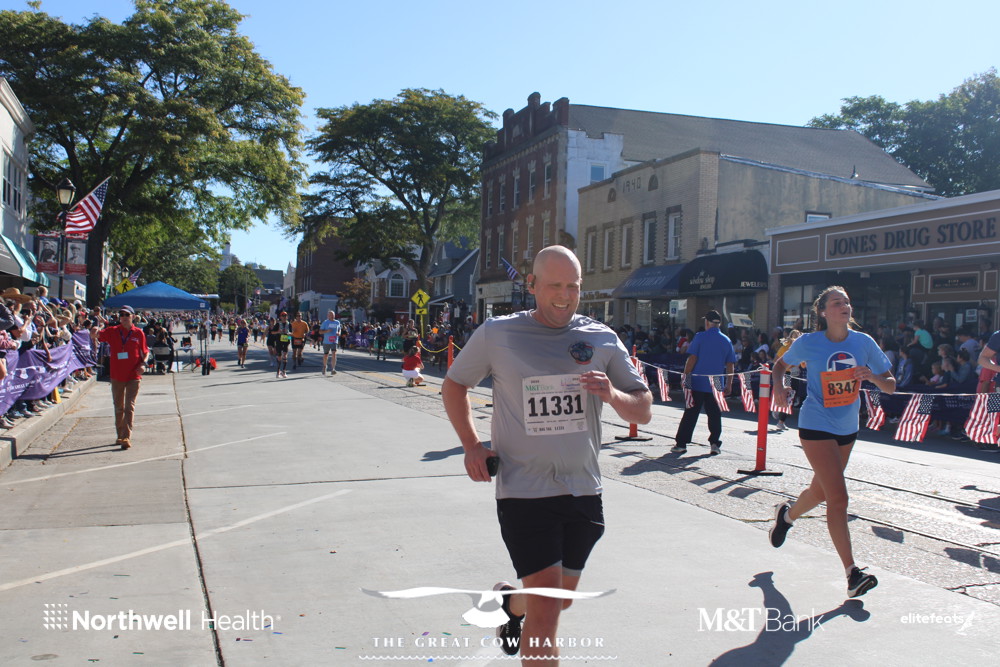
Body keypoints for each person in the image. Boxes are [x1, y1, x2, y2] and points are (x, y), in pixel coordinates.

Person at [441, 246, 652, 663]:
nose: (565, 295)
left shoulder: (600, 337)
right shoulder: (498, 333)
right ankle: (523, 609)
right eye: (555, 285)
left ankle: (509, 603)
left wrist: (612, 394)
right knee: (549, 606)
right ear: (532, 285)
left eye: (573, 286)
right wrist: (471, 445)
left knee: (559, 599)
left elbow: (643, 409)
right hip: (524, 490)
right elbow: (454, 384)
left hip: (583, 489)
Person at [769, 286, 895, 598]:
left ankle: (786, 516)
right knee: (838, 498)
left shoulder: (863, 342)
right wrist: (779, 387)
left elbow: (891, 385)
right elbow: (780, 365)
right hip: (816, 423)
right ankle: (852, 574)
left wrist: (871, 377)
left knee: (821, 491)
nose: (844, 306)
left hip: (847, 427)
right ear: (823, 312)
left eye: (847, 302)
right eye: (837, 302)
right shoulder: (809, 342)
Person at [671, 310, 736, 456]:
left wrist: (685, 376)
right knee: (714, 415)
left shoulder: (700, 337)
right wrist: (729, 384)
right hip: (717, 383)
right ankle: (714, 444)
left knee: (691, 413)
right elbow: (730, 364)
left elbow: (692, 359)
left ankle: (681, 444)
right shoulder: (726, 340)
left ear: (707, 322)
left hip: (698, 381)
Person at [97, 305, 149, 450]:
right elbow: (97, 336)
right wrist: (95, 329)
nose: (124, 317)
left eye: (127, 315)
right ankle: (120, 435)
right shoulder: (113, 331)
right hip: (117, 375)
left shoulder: (138, 333)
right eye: (122, 315)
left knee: (129, 406)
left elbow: (145, 351)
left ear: (133, 317)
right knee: (119, 406)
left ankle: (126, 436)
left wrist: (143, 364)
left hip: (133, 374)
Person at [319, 310, 342, 376]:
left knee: (334, 353)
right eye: (330, 315)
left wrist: (339, 333)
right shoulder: (325, 322)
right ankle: (324, 366)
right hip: (326, 341)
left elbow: (339, 329)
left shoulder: (337, 322)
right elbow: (320, 332)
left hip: (334, 340)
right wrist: (327, 331)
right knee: (326, 355)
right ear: (328, 316)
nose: (332, 316)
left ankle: (333, 369)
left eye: (333, 315)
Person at [269, 311, 292, 378]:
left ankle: (284, 371)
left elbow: (291, 333)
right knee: (279, 356)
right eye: (283, 316)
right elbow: (272, 332)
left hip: (286, 341)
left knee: (285, 356)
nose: (284, 317)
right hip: (279, 341)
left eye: (285, 316)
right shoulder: (278, 324)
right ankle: (278, 371)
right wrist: (278, 331)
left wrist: (289, 335)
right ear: (280, 317)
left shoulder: (289, 324)